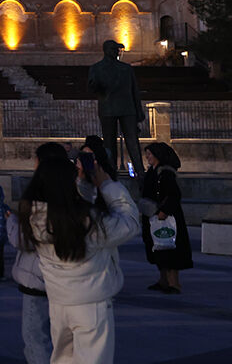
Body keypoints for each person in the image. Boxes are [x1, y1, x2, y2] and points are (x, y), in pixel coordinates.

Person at [20, 156, 139, 364]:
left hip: (59, 302)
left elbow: (67, 205)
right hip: (90, 304)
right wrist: (107, 185)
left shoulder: (34, 217)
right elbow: (129, 223)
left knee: (62, 359)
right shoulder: (87, 222)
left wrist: (84, 185)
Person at [10, 142, 66, 364]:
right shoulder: (74, 195)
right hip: (64, 280)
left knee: (35, 338)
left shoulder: (37, 200)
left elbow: (24, 240)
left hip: (37, 277)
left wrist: (12, 222)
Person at [88, 39, 145, 177]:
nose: (116, 51)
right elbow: (92, 88)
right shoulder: (96, 69)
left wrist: (139, 111)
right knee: (109, 143)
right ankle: (110, 171)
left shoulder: (126, 69)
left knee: (132, 142)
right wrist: (96, 85)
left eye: (116, 49)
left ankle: (140, 171)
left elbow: (134, 91)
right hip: (108, 109)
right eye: (113, 49)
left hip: (126, 109)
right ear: (106, 50)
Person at [140, 142, 192, 294]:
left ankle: (174, 283)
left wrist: (164, 210)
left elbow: (173, 195)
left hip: (167, 218)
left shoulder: (165, 173)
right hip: (154, 217)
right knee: (159, 249)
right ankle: (163, 280)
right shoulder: (153, 171)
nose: (148, 157)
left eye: (150, 154)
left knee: (170, 249)